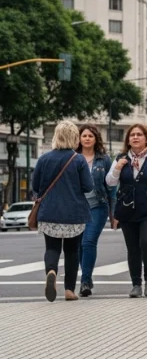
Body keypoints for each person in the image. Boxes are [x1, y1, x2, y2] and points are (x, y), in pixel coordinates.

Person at [106, 124, 147, 298]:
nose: (135, 137)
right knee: (133, 248)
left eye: (139, 134)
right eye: (132, 135)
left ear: (146, 138)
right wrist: (117, 169)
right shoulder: (121, 158)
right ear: (128, 140)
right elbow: (110, 182)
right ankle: (136, 284)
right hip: (128, 209)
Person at [32, 121, 93, 302]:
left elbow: (35, 186)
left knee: (52, 247)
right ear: (75, 138)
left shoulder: (44, 159)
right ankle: (69, 290)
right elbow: (88, 187)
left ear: (56, 137)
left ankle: (51, 270)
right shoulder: (79, 160)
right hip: (74, 214)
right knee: (72, 251)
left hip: (49, 212)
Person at [76, 124, 117, 297]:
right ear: (79, 138)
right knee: (78, 246)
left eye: (90, 136)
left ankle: (85, 281)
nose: (86, 138)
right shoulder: (74, 158)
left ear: (95, 139)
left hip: (98, 206)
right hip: (77, 208)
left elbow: (111, 186)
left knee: (88, 242)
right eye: (84, 135)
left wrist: (113, 213)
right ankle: (87, 277)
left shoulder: (104, 160)